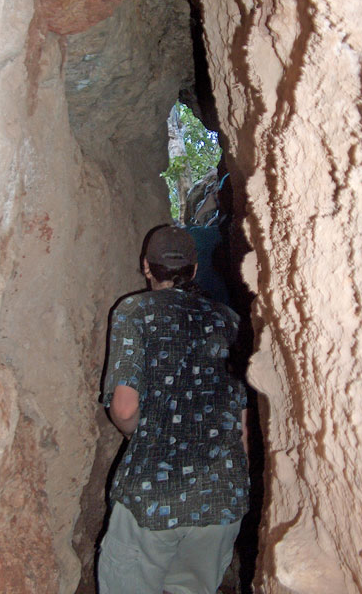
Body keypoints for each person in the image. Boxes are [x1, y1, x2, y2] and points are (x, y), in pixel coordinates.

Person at [99, 225, 250, 594]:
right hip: (221, 494)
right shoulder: (229, 321)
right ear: (195, 270)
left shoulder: (134, 312)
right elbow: (242, 429)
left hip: (152, 494)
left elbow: (124, 406)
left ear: (147, 268)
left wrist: (141, 434)